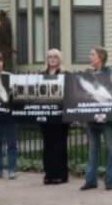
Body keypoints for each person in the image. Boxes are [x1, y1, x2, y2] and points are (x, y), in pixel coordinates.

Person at [81, 46, 112, 191]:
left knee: (111, 150)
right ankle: (91, 181)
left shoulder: (111, 73)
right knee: (93, 150)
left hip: (107, 119)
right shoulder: (88, 74)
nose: (90, 57)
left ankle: (110, 181)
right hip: (92, 118)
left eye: (92, 54)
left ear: (100, 57)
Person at [40, 49, 70, 185]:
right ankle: (49, 174)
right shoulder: (41, 75)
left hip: (60, 117)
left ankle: (61, 174)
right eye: (50, 57)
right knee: (48, 144)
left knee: (60, 145)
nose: (52, 59)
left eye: (55, 57)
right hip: (45, 116)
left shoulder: (65, 74)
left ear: (59, 59)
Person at [0, 51, 18, 180]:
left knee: (11, 144)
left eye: (0, 61)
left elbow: (16, 95)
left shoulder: (10, 76)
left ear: (3, 62)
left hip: (9, 116)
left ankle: (11, 170)